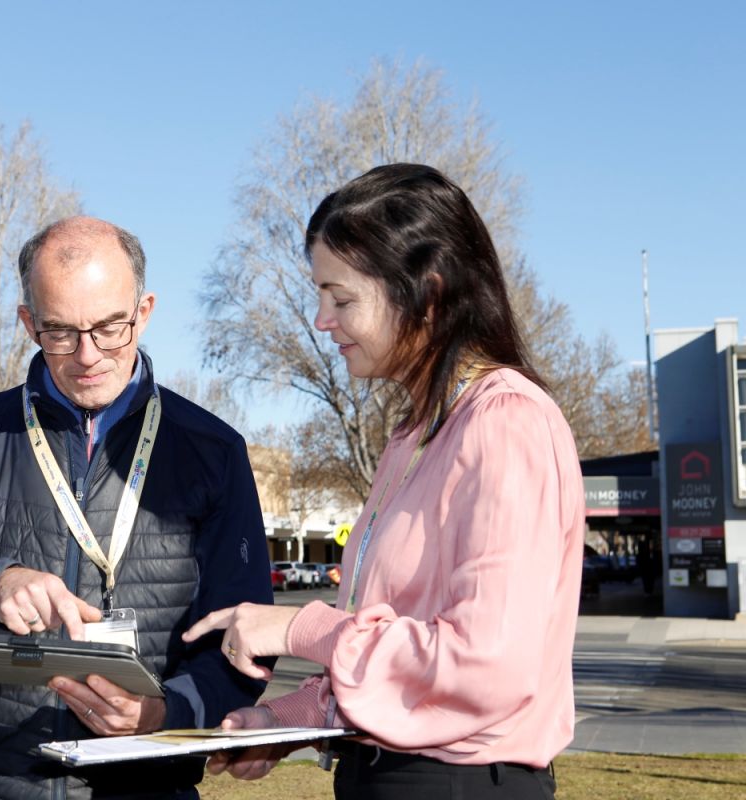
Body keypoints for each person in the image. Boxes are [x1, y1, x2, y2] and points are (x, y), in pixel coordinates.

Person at [184, 164, 584, 799]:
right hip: (384, 777)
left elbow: (485, 665)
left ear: (426, 292)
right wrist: (282, 722)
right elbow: (400, 655)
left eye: (341, 299)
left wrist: (296, 628)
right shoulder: (416, 433)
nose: (321, 320)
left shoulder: (506, 423)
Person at [0, 215, 274, 799]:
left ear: (144, 311)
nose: (88, 354)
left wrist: (164, 714)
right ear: (28, 323)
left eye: (110, 326)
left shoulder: (212, 451)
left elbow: (245, 641)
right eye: (60, 331)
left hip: (146, 787)